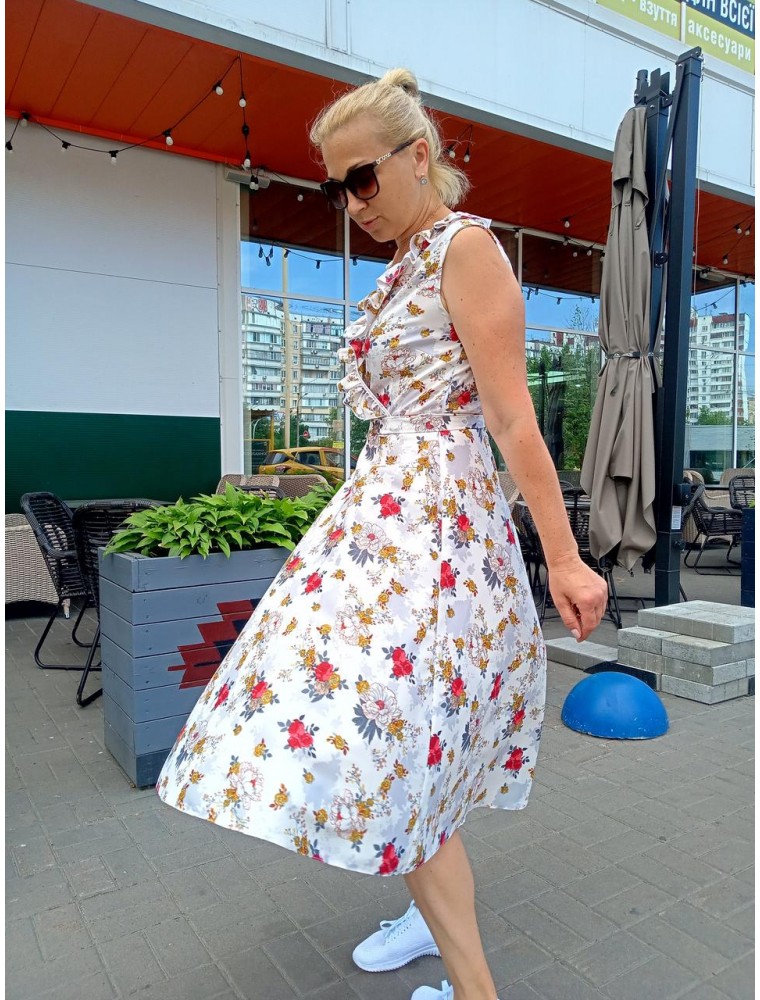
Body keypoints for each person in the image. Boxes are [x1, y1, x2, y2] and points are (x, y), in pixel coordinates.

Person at [156, 67, 608, 1000]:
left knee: (396, 740)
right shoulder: (405, 262)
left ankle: (475, 990)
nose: (351, 202)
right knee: (410, 743)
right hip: (387, 522)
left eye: (361, 178)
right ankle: (425, 918)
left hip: (434, 537)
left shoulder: (465, 250)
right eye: (336, 187)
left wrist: (565, 559)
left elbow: (513, 418)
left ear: (419, 156)